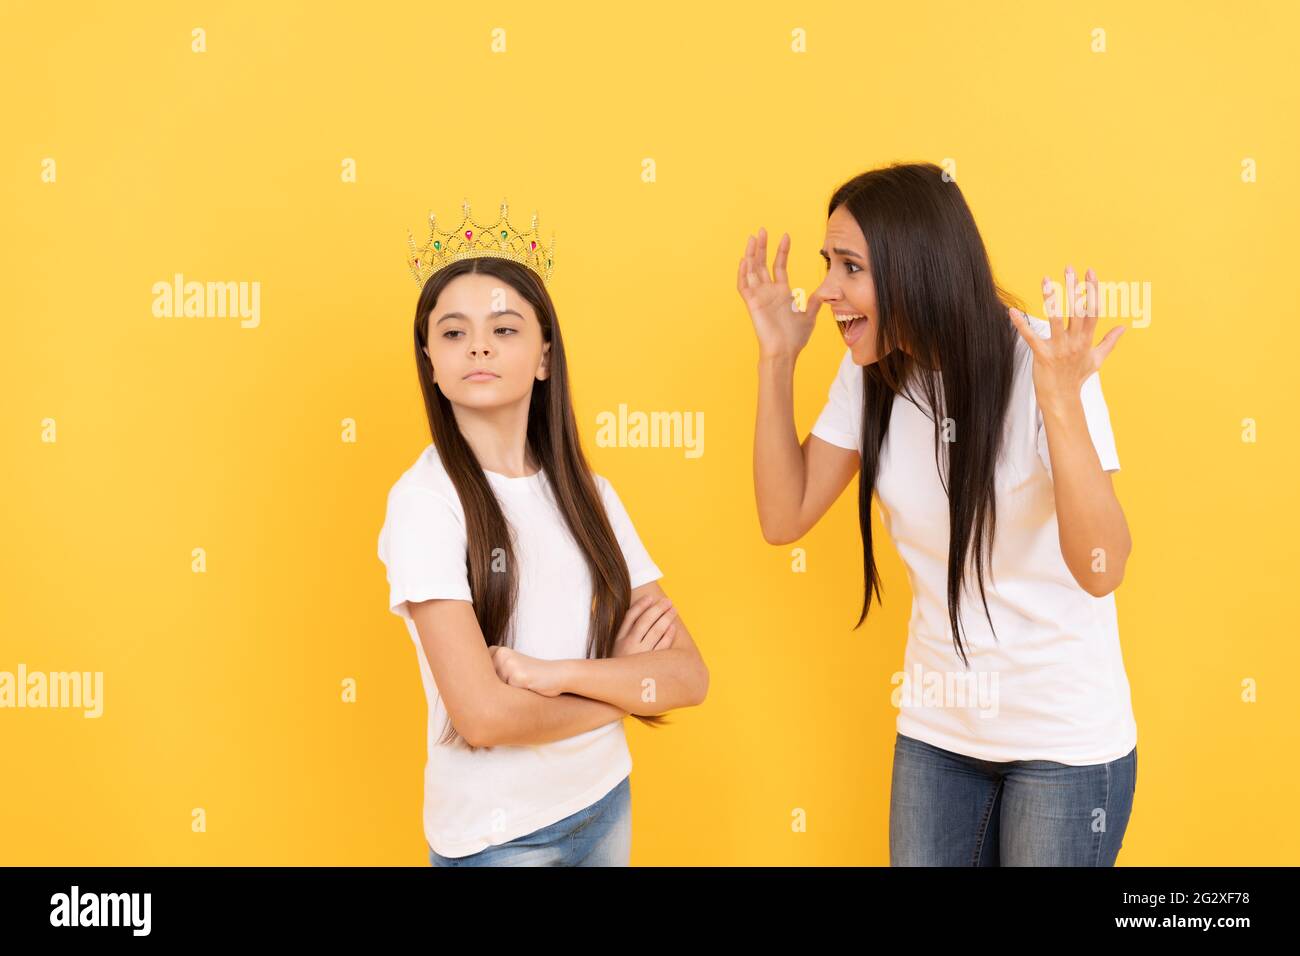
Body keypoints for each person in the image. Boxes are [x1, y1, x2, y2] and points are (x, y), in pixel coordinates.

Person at [739, 163, 1137, 866]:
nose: (826, 288)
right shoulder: (871, 373)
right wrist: (777, 359)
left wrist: (1062, 404)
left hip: (1062, 745)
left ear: (917, 269)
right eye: (827, 264)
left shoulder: (1042, 361)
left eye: (850, 267)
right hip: (938, 735)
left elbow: (1101, 568)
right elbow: (784, 516)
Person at [379, 201, 709, 866]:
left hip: (602, 799)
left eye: (503, 328)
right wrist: (617, 688)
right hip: (499, 837)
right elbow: (484, 718)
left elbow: (687, 676)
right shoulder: (425, 504)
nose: (477, 346)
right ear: (431, 362)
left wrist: (550, 676)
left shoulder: (591, 496)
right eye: (453, 333)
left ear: (543, 357)